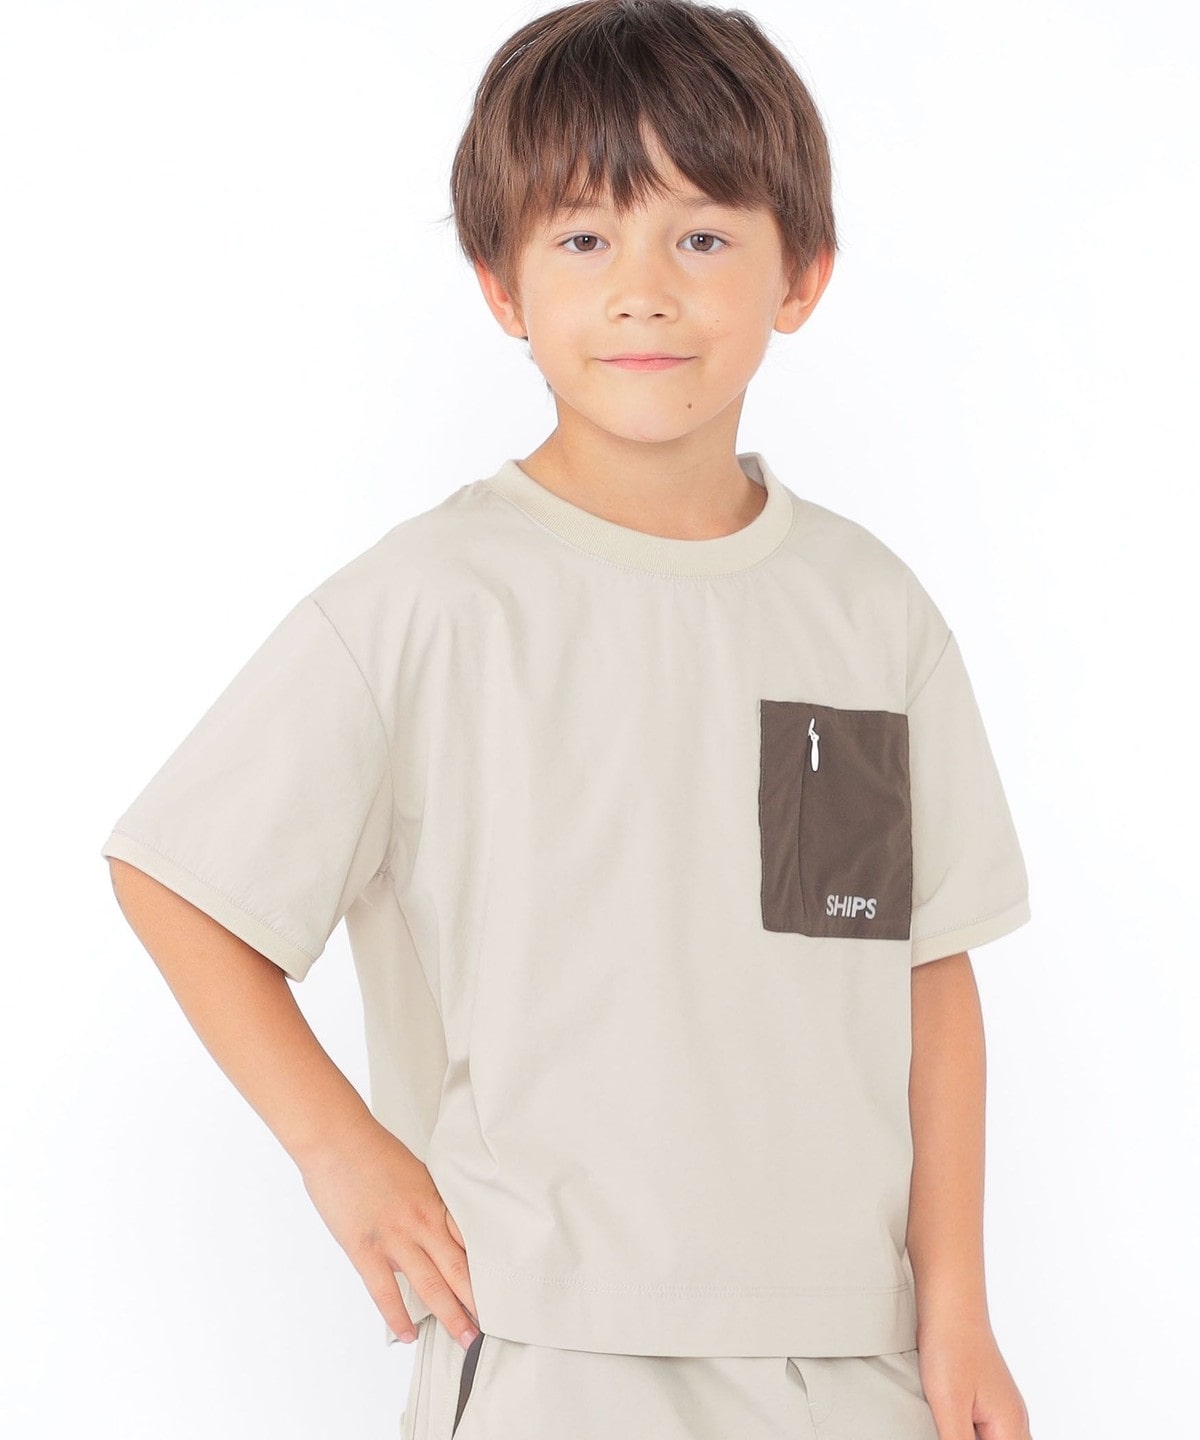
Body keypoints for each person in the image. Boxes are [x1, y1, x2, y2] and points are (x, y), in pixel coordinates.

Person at [100, 1, 1037, 1435]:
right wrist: (342, 1152)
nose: (643, 291)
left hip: (847, 1358)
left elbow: (919, 969)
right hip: (548, 1345)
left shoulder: (867, 614)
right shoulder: (427, 601)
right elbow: (178, 877)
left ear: (802, 274)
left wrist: (955, 1307)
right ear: (502, 285)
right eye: (586, 238)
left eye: (702, 237)